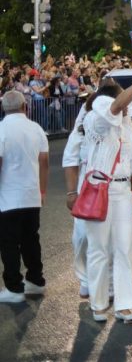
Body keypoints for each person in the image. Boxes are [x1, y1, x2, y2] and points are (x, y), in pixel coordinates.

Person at [81, 70, 132, 323]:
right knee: (99, 249)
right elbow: (116, 105)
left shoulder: (126, 126)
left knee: (124, 249)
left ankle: (125, 305)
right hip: (99, 189)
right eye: (124, 99)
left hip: (122, 192)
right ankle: (98, 303)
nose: (127, 105)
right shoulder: (95, 119)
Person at [0, 91, 49, 304]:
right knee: (31, 239)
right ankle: (36, 281)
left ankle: (14, 287)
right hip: (32, 194)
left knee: (9, 243)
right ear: (24, 106)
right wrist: (42, 190)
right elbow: (44, 161)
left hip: (8, 196)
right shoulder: (36, 128)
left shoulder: (1, 129)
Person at [62, 104, 90, 299]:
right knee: (81, 237)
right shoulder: (78, 135)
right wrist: (72, 193)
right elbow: (71, 162)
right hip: (85, 192)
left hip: (114, 192)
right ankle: (85, 279)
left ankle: (110, 283)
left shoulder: (118, 128)